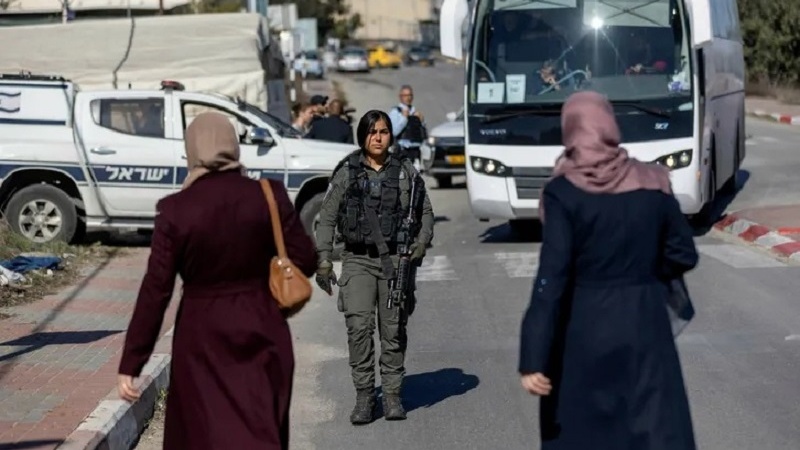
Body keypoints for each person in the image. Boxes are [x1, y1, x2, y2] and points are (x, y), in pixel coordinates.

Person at [117, 112, 318, 450]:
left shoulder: (175, 210)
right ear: (232, 146)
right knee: (260, 428)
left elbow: (157, 290)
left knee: (204, 432)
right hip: (262, 323)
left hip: (201, 335)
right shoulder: (268, 195)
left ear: (192, 150)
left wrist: (132, 361)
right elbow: (306, 259)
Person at [518, 91, 698, 450]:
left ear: (570, 130)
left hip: (582, 334)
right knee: (651, 429)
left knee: (586, 434)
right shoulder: (654, 182)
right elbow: (683, 254)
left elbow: (552, 277)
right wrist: (645, 273)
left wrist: (533, 357)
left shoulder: (563, 192)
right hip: (645, 327)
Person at [314, 109, 435, 425]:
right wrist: (324, 260)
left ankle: (393, 395)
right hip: (356, 259)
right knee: (358, 329)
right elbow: (326, 218)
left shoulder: (406, 172)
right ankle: (365, 396)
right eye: (372, 132)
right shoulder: (347, 172)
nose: (378, 137)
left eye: (383, 131)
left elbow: (425, 214)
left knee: (393, 330)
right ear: (362, 136)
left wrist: (418, 248)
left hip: (396, 261)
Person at [387, 85, 426, 169]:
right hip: (402, 150)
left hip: (416, 151)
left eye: (410, 95)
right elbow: (394, 132)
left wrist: (421, 121)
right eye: (405, 95)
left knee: (415, 179)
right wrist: (404, 118)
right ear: (400, 97)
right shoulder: (395, 112)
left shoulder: (415, 112)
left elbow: (423, 134)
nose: (408, 98)